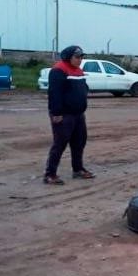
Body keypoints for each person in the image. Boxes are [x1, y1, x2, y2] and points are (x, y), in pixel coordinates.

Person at [43, 45, 95, 185]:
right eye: (77, 57)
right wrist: (56, 113)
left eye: (81, 57)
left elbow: (82, 88)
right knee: (59, 144)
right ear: (68, 57)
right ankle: (50, 174)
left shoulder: (78, 70)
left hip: (78, 114)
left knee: (79, 142)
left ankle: (78, 169)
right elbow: (54, 93)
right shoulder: (58, 70)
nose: (80, 60)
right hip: (64, 115)